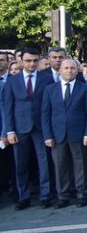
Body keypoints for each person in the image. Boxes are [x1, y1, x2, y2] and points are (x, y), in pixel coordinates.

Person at [2, 47, 55, 209]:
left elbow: (51, 105)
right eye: (28, 61)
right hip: (19, 127)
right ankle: (23, 196)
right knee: (20, 163)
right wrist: (9, 130)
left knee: (44, 162)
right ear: (21, 61)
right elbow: (7, 108)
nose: (32, 64)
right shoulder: (12, 81)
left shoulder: (47, 79)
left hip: (41, 126)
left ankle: (45, 195)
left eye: (34, 60)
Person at [42, 58, 87, 207]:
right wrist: (47, 135)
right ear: (60, 70)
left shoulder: (84, 88)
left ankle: (82, 194)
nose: (69, 71)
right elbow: (45, 114)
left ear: (77, 70)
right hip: (57, 134)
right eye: (66, 68)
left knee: (81, 165)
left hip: (79, 133)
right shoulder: (50, 89)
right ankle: (63, 196)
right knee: (60, 165)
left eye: (72, 68)